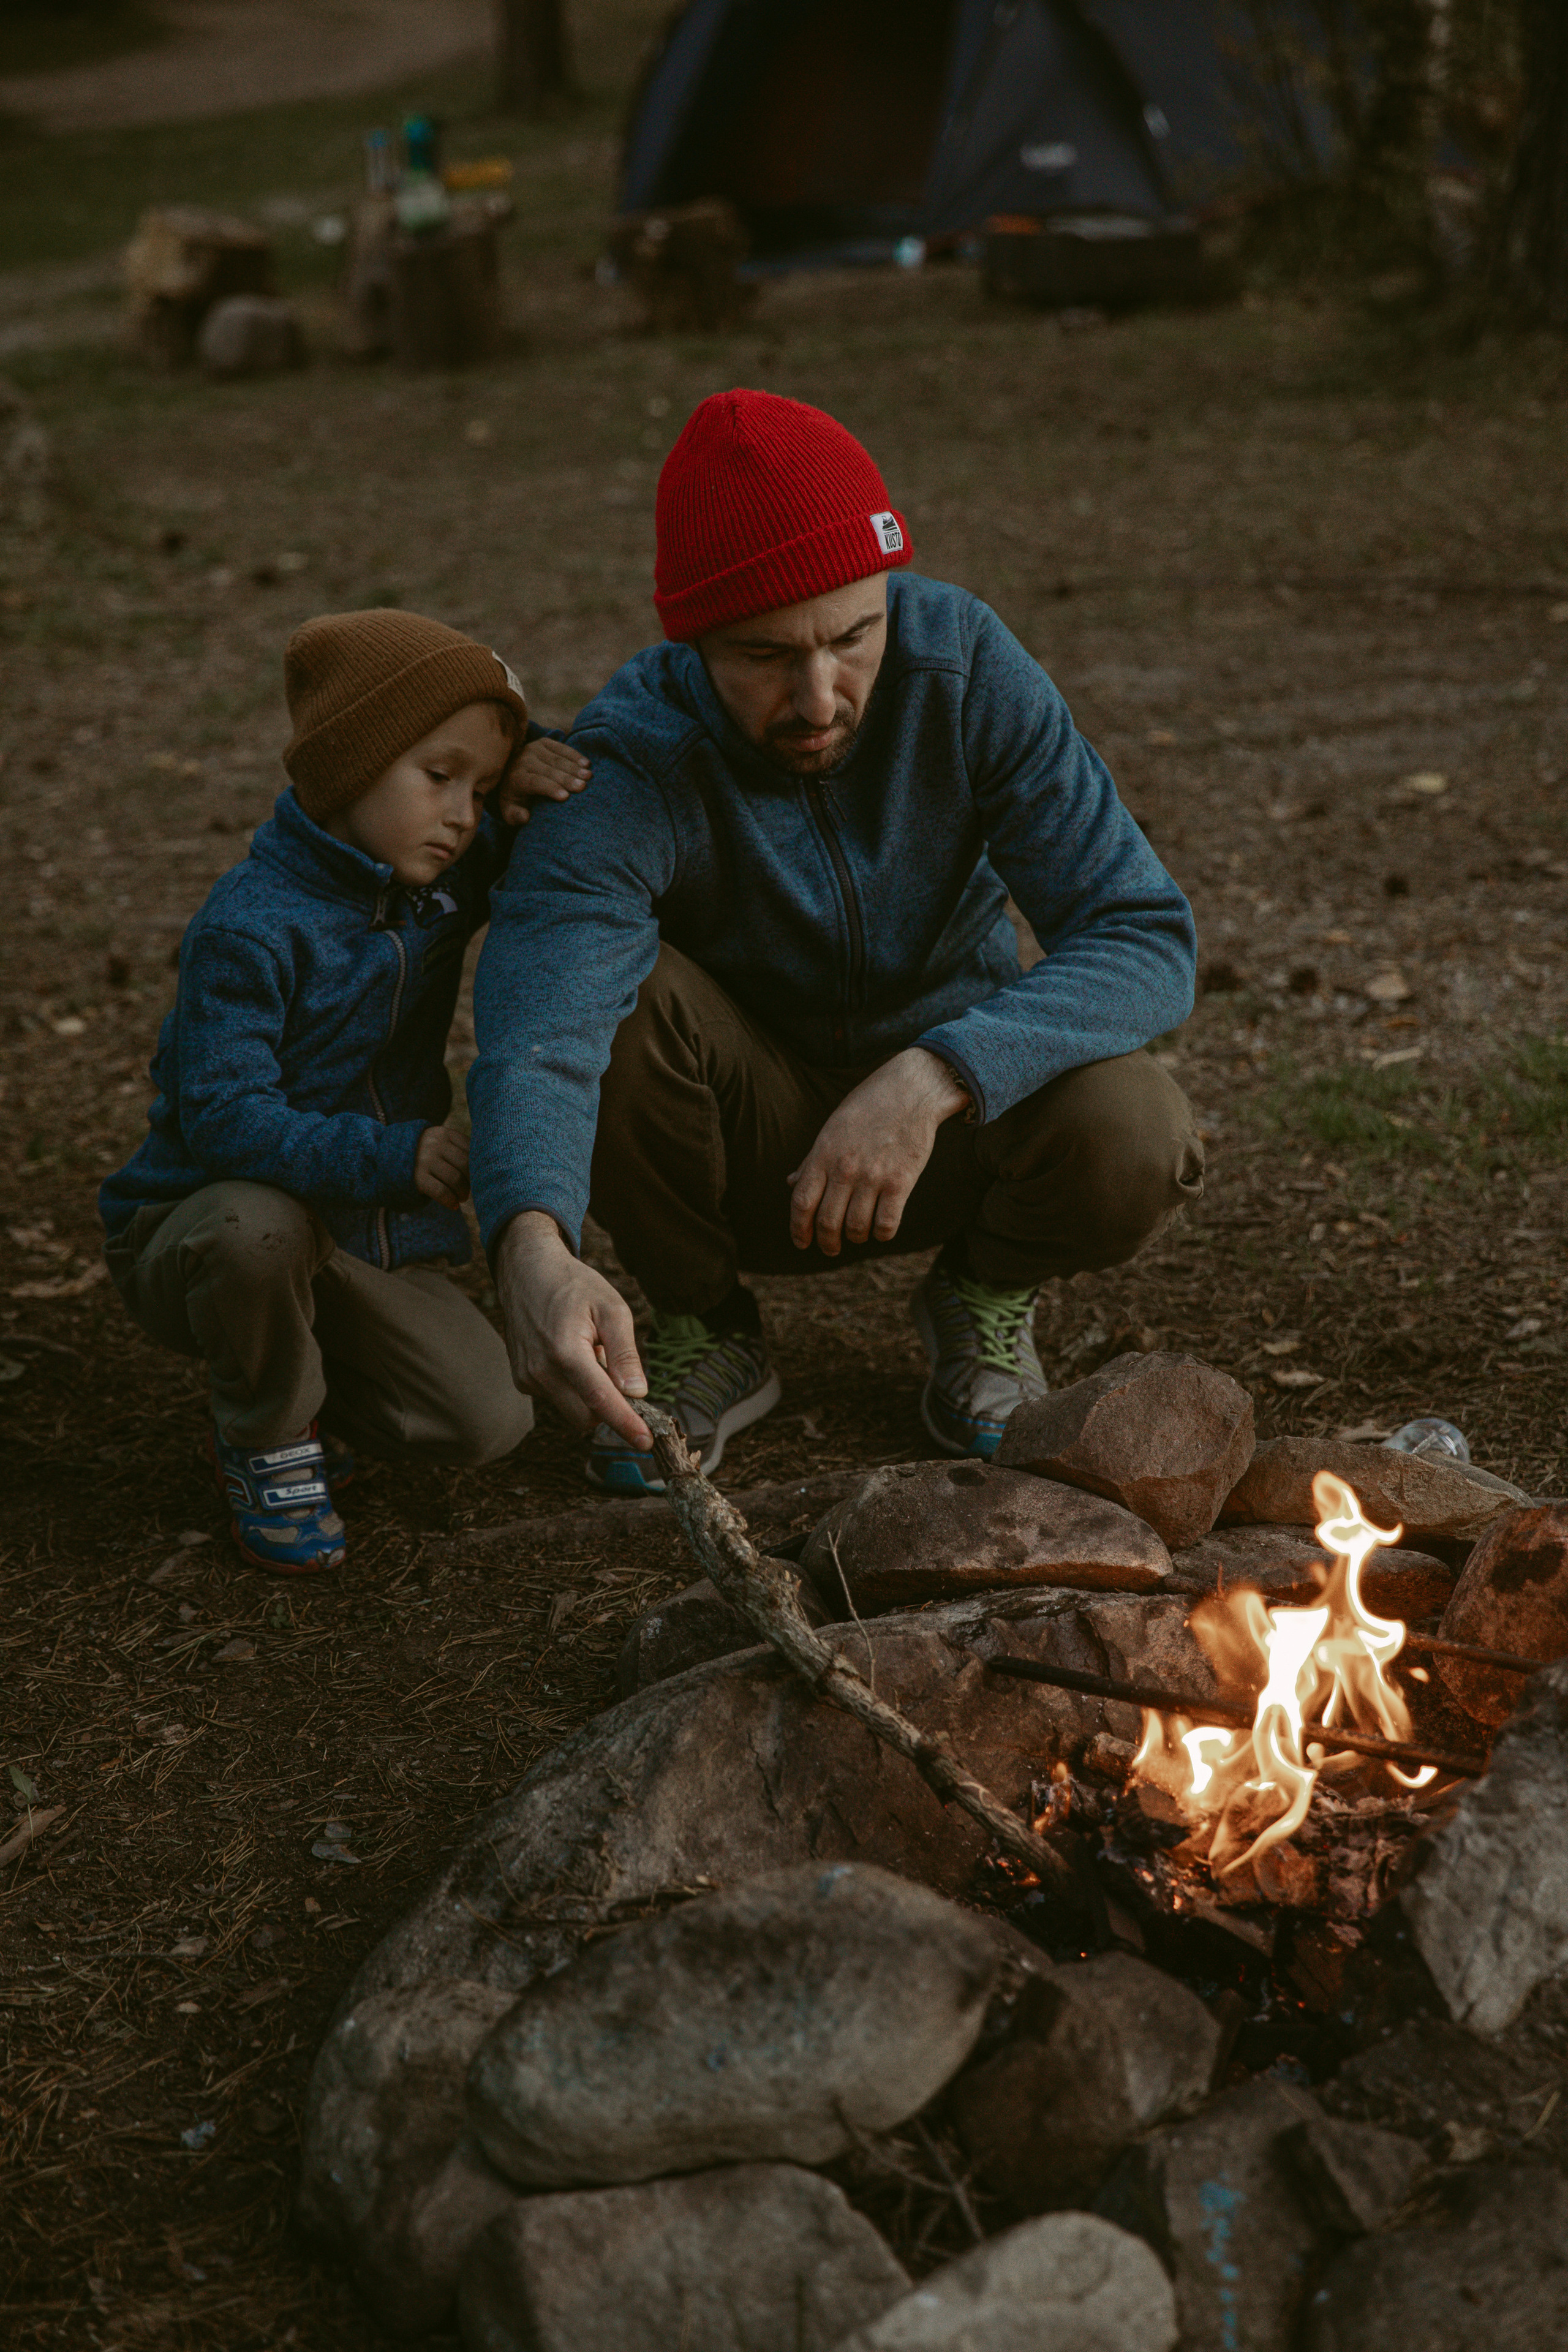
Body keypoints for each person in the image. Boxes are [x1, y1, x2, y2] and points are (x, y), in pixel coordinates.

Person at [471, 390, 1204, 1493]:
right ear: (694, 640)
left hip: (951, 1140)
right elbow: (543, 1024)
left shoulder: (963, 669)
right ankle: (705, 1322)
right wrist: (529, 1241)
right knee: (620, 1007)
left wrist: (938, 1073)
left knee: (1135, 1125)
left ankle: (982, 1292)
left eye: (853, 637)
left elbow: (1144, 933)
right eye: (764, 655)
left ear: (889, 597)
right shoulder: (634, 757)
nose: (819, 698)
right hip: (745, 1152)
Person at [99, 609, 576, 1572]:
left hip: (358, 1238)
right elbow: (224, 1119)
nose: (464, 814)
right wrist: (395, 1158)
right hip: (204, 1226)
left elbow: (517, 841)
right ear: (348, 765)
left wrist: (527, 766)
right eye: (439, 777)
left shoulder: (428, 882)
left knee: (487, 1419)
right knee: (255, 1229)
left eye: (478, 789)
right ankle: (265, 1433)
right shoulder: (250, 928)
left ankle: (318, 1393)